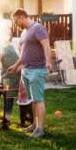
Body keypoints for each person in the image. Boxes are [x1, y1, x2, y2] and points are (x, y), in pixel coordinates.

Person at [8, 9, 52, 138]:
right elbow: (23, 54)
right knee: (32, 99)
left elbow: (46, 45)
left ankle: (40, 128)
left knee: (38, 99)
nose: (16, 24)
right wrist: (16, 66)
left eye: (16, 21)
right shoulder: (24, 33)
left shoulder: (38, 28)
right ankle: (34, 124)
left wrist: (48, 61)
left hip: (37, 69)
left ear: (22, 17)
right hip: (26, 70)